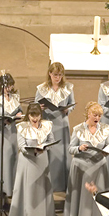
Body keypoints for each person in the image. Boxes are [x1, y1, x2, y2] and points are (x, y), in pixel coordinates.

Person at [64, 101, 109, 216]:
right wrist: (79, 148)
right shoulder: (78, 129)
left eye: (99, 115)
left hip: (98, 166)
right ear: (88, 114)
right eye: (95, 115)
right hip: (82, 166)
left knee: (98, 193)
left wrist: (107, 151)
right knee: (83, 196)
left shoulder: (105, 129)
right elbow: (70, 149)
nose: (97, 118)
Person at [10, 103, 56, 216]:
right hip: (29, 161)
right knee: (29, 190)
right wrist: (34, 151)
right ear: (28, 115)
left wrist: (45, 146)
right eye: (32, 115)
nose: (35, 118)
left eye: (37, 115)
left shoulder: (47, 125)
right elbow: (21, 146)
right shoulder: (22, 127)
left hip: (42, 160)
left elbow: (51, 141)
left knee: (41, 189)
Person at [35, 62, 75, 192]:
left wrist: (67, 110)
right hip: (48, 122)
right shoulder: (42, 88)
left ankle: (61, 183)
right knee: (50, 152)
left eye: (60, 75)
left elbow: (72, 104)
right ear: (49, 74)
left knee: (62, 152)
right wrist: (40, 107)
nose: (57, 78)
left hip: (62, 123)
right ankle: (49, 183)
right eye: (55, 75)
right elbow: (35, 106)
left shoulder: (68, 88)